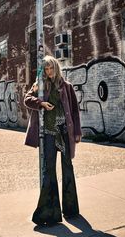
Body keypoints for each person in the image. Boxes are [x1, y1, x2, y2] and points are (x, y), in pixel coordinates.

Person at [24, 55, 82, 226]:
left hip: (64, 134)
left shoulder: (67, 87)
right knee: (49, 170)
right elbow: (27, 99)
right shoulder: (40, 86)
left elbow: (75, 111)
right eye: (46, 69)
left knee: (67, 168)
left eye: (51, 68)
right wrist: (40, 103)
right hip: (49, 134)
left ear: (56, 68)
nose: (49, 71)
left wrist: (77, 132)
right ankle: (49, 212)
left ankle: (71, 209)